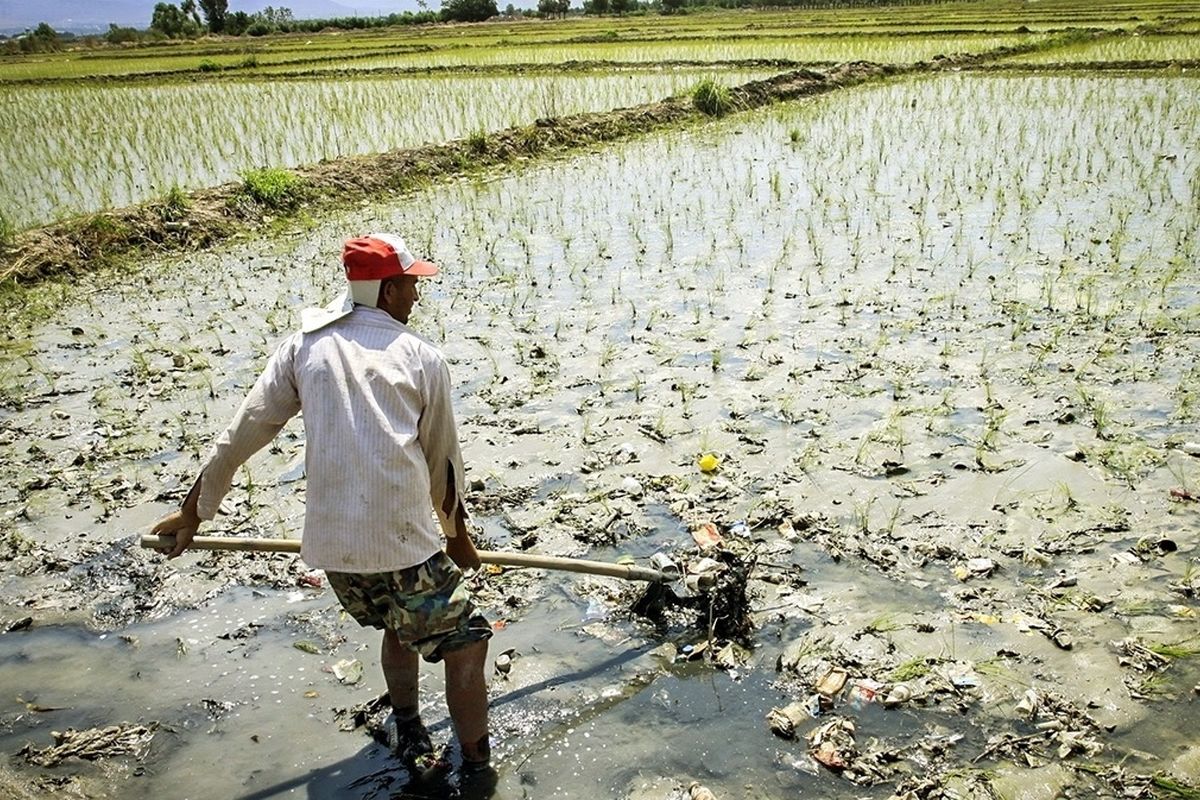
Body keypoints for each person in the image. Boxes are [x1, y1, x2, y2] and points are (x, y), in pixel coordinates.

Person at [151, 232, 492, 774]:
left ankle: (409, 729)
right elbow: (442, 465)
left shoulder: (302, 347)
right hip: (403, 545)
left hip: (334, 554)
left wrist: (195, 512)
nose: (415, 297)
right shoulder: (420, 357)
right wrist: (458, 540)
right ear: (385, 292)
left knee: (396, 626)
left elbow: (242, 432)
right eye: (409, 286)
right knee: (469, 644)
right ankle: (478, 768)